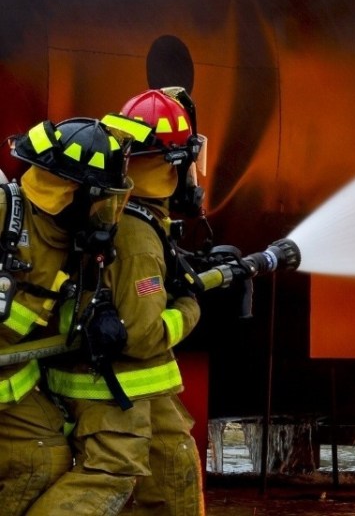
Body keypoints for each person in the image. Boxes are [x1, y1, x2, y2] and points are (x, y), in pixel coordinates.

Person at [28, 87, 207, 516]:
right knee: (108, 476)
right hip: (116, 386)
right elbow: (144, 335)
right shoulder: (138, 234)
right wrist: (190, 305)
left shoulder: (117, 214)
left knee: (173, 464)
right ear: (174, 164)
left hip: (130, 386)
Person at [0, 117, 133, 516]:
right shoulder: (5, 213)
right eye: (102, 200)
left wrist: (102, 312)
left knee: (44, 456)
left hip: (10, 382)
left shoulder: (71, 240)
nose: (106, 213)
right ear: (73, 192)